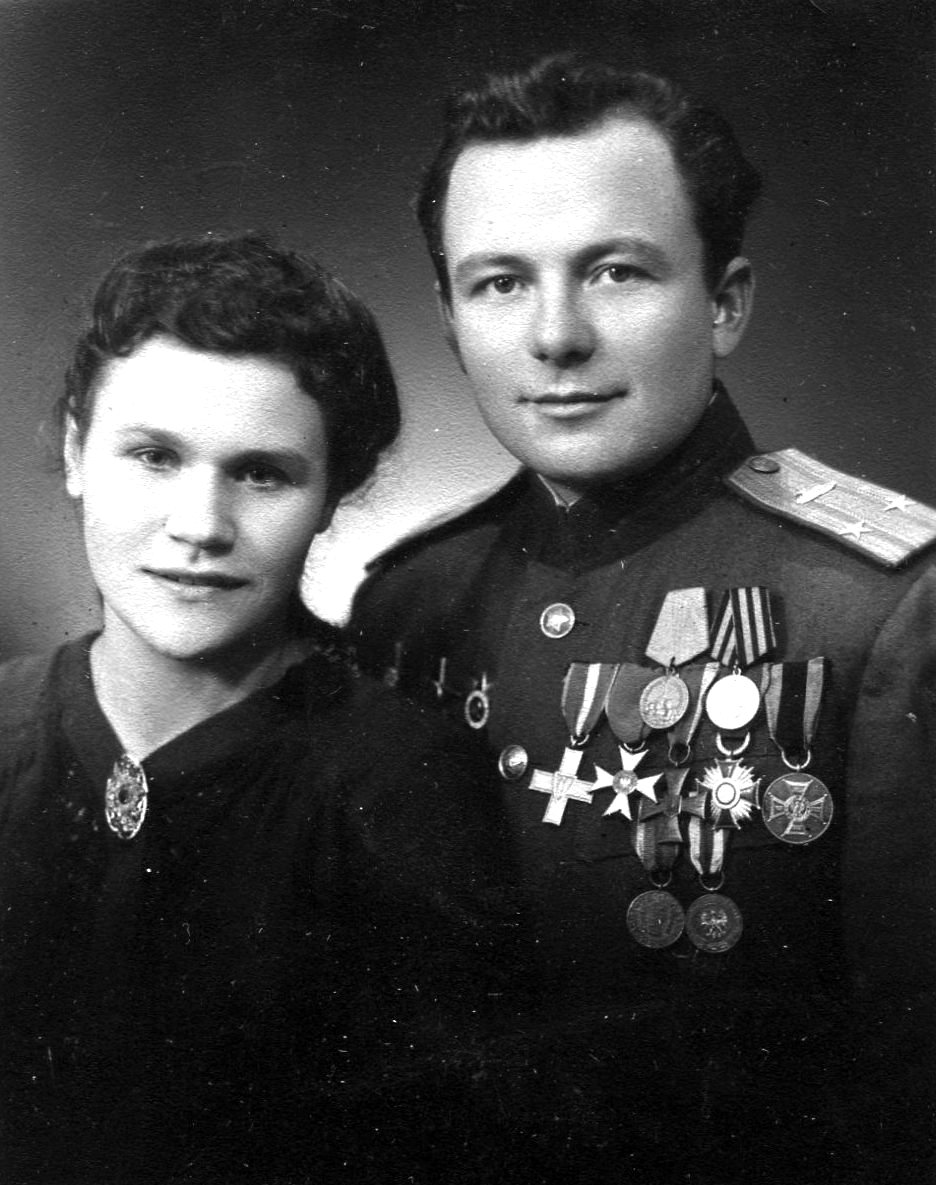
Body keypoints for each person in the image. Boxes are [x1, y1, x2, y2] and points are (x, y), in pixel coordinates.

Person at [350, 55, 936, 1182]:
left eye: (615, 272)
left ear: (726, 302)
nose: (556, 336)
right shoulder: (404, 604)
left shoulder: (884, 607)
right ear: (449, 319)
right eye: (499, 283)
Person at [0, 233, 527, 1185]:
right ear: (77, 451)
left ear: (333, 494)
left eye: (263, 474)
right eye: (154, 456)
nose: (201, 526)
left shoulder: (398, 783)